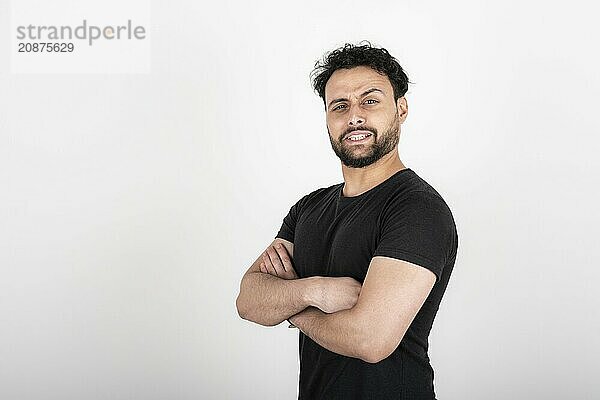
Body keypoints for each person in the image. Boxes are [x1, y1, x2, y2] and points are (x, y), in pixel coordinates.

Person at [236, 41, 459, 400]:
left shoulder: (418, 209)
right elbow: (248, 300)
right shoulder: (308, 208)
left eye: (370, 100)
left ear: (401, 109)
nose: (354, 116)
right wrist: (316, 291)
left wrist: (293, 309)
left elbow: (370, 339)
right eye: (339, 105)